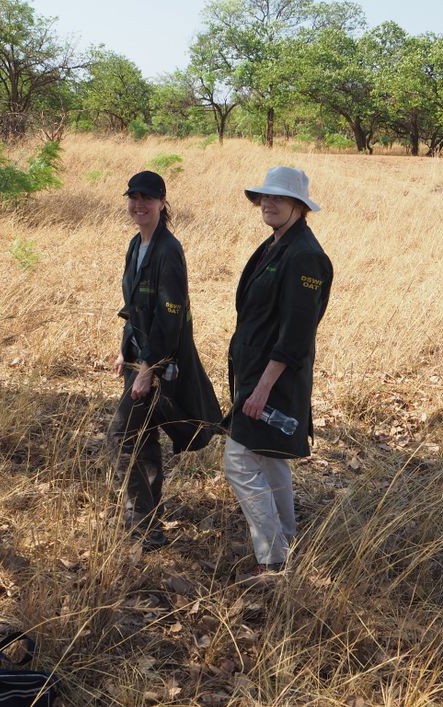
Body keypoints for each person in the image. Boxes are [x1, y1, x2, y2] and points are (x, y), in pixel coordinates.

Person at [224, 166, 333, 582]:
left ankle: (271, 559)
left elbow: (297, 333)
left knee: (238, 460)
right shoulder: (276, 244)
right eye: (264, 197)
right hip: (255, 372)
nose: (268, 204)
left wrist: (262, 388)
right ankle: (286, 537)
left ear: (299, 206)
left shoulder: (305, 255)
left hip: (273, 381)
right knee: (270, 461)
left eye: (279, 199)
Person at [108, 170, 221, 549]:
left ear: (162, 203)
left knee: (122, 437)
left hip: (158, 363)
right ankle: (148, 524)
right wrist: (124, 348)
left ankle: (143, 527)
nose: (138, 205)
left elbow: (170, 315)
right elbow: (135, 307)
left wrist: (147, 370)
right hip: (139, 357)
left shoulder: (169, 250)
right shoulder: (134, 245)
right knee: (142, 438)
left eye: (147, 198)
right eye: (133, 197)